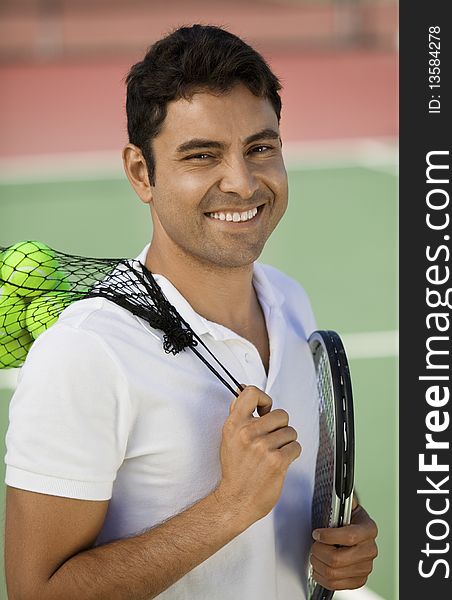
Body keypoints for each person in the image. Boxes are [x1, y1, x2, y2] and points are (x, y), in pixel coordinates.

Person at [4, 24, 378, 600]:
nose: (243, 181)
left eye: (261, 148)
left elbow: (298, 496)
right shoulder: (85, 353)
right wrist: (230, 507)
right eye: (202, 156)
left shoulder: (288, 299)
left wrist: (342, 539)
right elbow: (38, 591)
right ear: (140, 173)